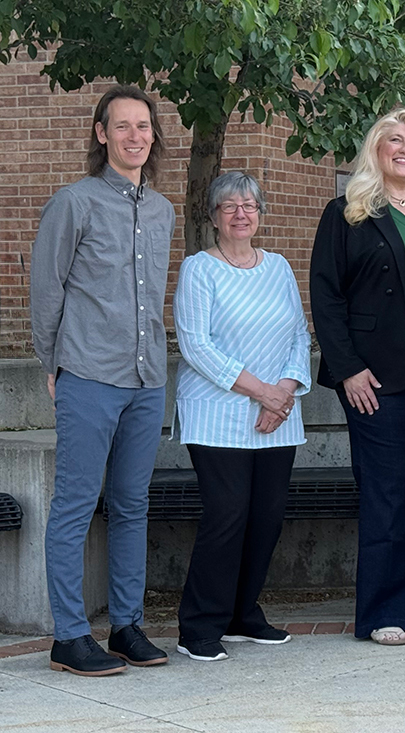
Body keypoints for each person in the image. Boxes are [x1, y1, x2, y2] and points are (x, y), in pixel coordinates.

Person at [30, 86, 174, 676]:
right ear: (101, 134)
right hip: (88, 373)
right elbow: (46, 291)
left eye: (143, 127)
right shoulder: (74, 203)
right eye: (123, 127)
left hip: (147, 379)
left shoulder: (162, 210)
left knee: (132, 504)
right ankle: (68, 635)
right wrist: (53, 365)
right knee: (74, 505)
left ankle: (126, 625)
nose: (135, 137)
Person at [310, 108, 405, 645]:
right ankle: (383, 611)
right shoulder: (348, 214)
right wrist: (348, 369)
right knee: (386, 494)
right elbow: (327, 299)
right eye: (394, 141)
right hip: (376, 381)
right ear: (376, 151)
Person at [173, 172, 312, 662]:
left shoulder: (278, 267)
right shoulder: (199, 269)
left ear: (260, 215)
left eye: (250, 205)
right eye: (229, 206)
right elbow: (195, 346)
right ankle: (199, 627)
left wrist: (285, 390)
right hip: (219, 415)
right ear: (213, 217)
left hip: (278, 414)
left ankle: (241, 614)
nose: (240, 213)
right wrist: (263, 394)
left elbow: (299, 334)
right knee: (227, 516)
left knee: (267, 519)